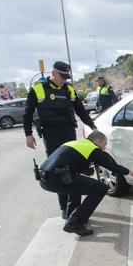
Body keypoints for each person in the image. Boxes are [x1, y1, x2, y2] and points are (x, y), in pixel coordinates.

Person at [23, 61, 97, 219]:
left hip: (68, 134)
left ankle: (73, 206)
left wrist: (92, 126)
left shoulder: (69, 89)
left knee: (72, 170)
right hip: (51, 135)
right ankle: (64, 207)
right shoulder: (38, 89)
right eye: (62, 77)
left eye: (66, 77)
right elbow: (27, 113)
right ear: (53, 73)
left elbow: (80, 110)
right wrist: (28, 134)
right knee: (57, 171)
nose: (64, 80)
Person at [37, 130, 133, 236]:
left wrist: (84, 169)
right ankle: (74, 222)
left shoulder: (77, 143)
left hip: (44, 178)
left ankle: (72, 217)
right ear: (97, 141)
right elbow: (111, 166)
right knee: (100, 188)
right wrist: (129, 172)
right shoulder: (92, 149)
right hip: (55, 178)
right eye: (104, 144)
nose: (104, 148)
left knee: (76, 185)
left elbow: (70, 161)